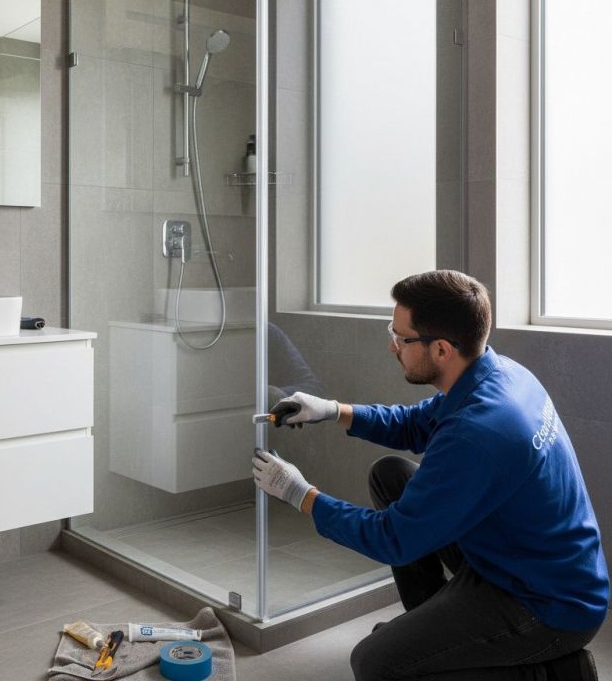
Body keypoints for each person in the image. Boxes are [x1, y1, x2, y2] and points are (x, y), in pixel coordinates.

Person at [252, 270, 608, 681]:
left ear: (440, 349)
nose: (392, 346)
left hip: (546, 604)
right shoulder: (497, 373)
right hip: (523, 558)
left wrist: (299, 493)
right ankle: (432, 634)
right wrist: (332, 410)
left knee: (375, 663)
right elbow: (412, 423)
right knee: (391, 475)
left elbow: (393, 538)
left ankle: (559, 673)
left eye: (402, 338)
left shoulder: (479, 433)